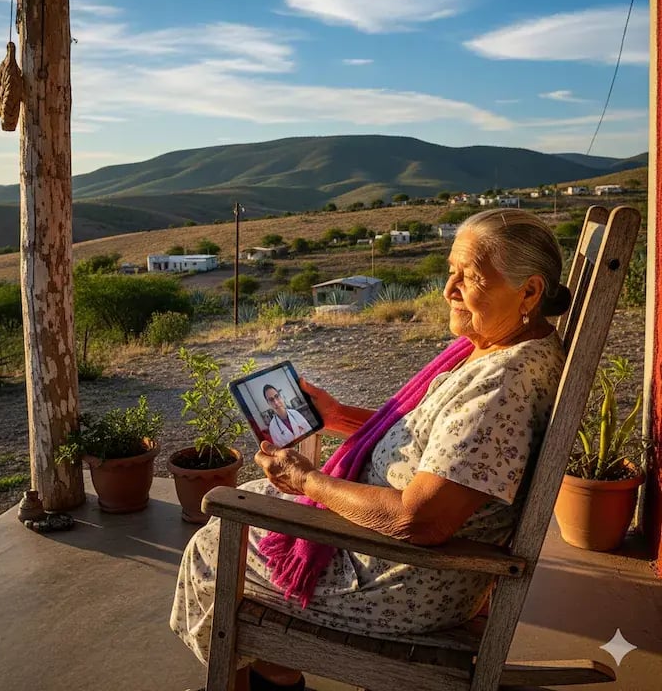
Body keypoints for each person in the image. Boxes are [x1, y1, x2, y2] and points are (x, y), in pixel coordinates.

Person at [171, 209, 571, 691]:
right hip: (399, 560)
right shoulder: (500, 349)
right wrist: (337, 416)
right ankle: (275, 674)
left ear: (529, 292)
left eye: (470, 278)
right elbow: (433, 444)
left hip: (404, 581)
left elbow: (420, 521)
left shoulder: (503, 387)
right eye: (451, 271)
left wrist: (307, 480)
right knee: (250, 503)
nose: (448, 289)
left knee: (213, 545)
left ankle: (253, 677)